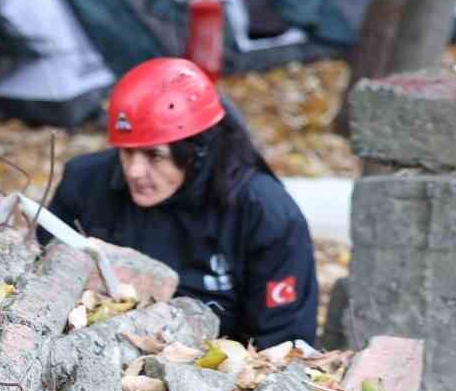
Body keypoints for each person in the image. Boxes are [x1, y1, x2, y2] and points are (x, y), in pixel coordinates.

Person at [46, 57, 319, 348]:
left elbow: (284, 342)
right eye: (126, 153)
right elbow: (41, 276)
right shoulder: (85, 182)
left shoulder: (263, 212)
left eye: (155, 155)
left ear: (197, 150)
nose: (134, 172)